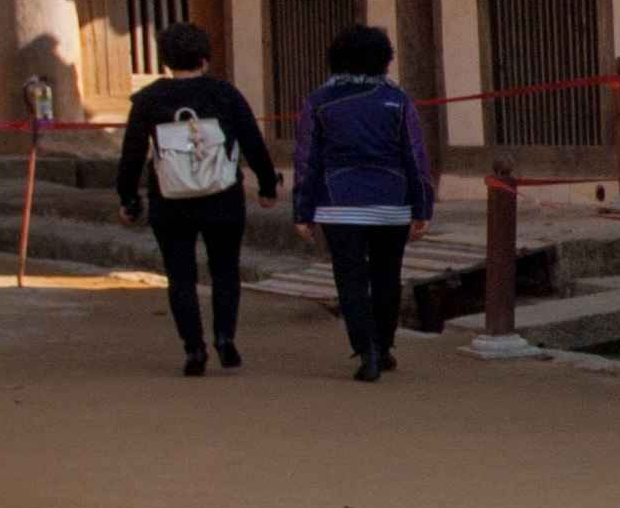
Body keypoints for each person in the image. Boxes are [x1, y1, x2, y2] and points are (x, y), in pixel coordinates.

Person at [111, 20, 278, 378]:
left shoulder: (149, 99)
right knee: (225, 270)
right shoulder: (225, 94)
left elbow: (132, 155)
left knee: (180, 276)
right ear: (205, 58)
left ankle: (193, 348)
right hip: (222, 196)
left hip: (170, 199)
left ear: (166, 61)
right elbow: (252, 142)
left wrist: (129, 199)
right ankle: (224, 337)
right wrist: (267, 185)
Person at [285, 20, 436, 382]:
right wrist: (422, 207)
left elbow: (307, 160)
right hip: (391, 202)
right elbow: (416, 156)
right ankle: (384, 346)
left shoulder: (319, 101)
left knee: (350, 278)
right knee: (387, 276)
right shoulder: (397, 100)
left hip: (338, 204)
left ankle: (365, 350)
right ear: (384, 59)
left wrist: (302, 210)